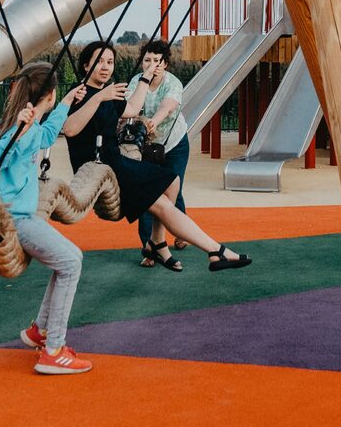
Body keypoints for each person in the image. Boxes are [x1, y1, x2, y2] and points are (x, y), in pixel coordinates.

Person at [60, 40, 251, 272]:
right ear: (85, 65)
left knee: (172, 181)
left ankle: (157, 242)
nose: (106, 67)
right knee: (162, 205)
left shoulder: (109, 92)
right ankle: (214, 251)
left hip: (116, 161)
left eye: (110, 62)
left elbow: (131, 109)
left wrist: (145, 78)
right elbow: (70, 128)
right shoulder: (79, 93)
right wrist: (99, 97)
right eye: (99, 62)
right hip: (100, 169)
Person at [0, 61, 92, 374]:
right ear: (47, 93)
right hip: (14, 219)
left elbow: (46, 136)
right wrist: (17, 134)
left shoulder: (27, 127)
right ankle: (53, 350)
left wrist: (65, 104)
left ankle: (40, 331)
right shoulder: (16, 129)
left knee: (70, 259)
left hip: (21, 215)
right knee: (71, 263)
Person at [124, 39, 193, 265]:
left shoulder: (172, 83)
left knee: (173, 187)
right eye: (147, 60)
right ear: (142, 62)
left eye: (157, 60)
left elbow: (167, 106)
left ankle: (181, 232)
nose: (152, 64)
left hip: (173, 144)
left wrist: (152, 122)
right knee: (148, 193)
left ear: (165, 64)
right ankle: (149, 246)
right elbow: (129, 106)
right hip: (146, 146)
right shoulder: (137, 81)